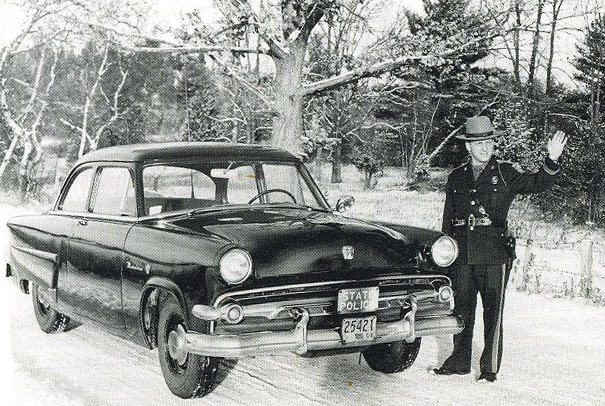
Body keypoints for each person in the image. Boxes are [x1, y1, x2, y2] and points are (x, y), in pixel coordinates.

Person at [431, 115, 567, 383]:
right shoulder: (456, 177)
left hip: (494, 254)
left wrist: (552, 160)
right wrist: (445, 254)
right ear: (468, 147)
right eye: (479, 143)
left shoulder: (505, 172)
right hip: (462, 253)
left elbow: (538, 182)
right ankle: (459, 361)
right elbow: (448, 219)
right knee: (462, 310)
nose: (485, 147)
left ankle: (489, 368)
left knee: (493, 313)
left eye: (489, 142)